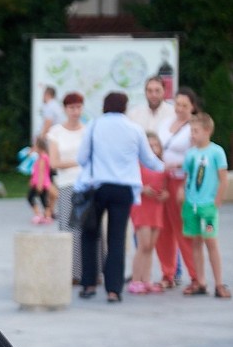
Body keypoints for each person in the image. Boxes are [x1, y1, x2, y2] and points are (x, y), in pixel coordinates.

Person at [76, 91, 164, 303]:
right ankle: (113, 290)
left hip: (96, 187)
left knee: (90, 235)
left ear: (104, 106)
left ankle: (88, 284)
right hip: (123, 189)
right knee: (116, 239)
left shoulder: (94, 126)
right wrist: (166, 167)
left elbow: (81, 158)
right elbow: (148, 160)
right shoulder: (134, 129)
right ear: (124, 107)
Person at [180, 112, 229, 298]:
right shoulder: (190, 153)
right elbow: (187, 177)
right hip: (191, 204)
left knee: (211, 241)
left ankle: (218, 283)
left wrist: (217, 201)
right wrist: (184, 195)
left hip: (207, 206)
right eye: (191, 131)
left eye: (195, 131)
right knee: (195, 242)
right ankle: (200, 281)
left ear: (207, 130)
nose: (192, 134)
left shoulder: (216, 151)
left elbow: (223, 179)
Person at [156, 87, 200, 290]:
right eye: (178, 104)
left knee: (183, 228)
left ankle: (195, 275)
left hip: (181, 180)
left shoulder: (194, 127)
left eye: (185, 105)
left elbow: (198, 155)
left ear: (192, 107)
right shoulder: (166, 123)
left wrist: (181, 168)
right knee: (163, 228)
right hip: (162, 178)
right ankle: (168, 272)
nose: (180, 108)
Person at [47, 91, 87, 282]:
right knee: (68, 228)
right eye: (72, 107)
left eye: (78, 107)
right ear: (65, 109)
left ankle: (88, 271)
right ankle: (70, 272)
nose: (75, 111)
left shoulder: (87, 130)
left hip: (85, 184)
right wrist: (78, 161)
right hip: (65, 183)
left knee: (87, 229)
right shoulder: (56, 132)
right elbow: (54, 162)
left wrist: (74, 162)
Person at [127, 133, 168, 294]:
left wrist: (164, 195)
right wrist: (143, 190)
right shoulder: (137, 165)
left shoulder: (162, 166)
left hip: (156, 208)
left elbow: (166, 188)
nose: (152, 149)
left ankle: (146, 279)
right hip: (142, 207)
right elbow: (131, 185)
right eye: (148, 146)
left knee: (150, 246)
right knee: (143, 244)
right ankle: (136, 280)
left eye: (155, 146)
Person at [27, 137, 53, 223]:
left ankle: (39, 215)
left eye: (35, 146)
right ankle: (47, 216)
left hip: (40, 183)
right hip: (39, 182)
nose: (34, 148)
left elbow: (41, 172)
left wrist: (40, 184)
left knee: (30, 197)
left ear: (39, 147)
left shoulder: (42, 157)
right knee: (43, 198)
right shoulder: (41, 157)